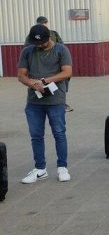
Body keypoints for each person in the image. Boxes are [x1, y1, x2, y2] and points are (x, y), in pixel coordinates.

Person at [17, 24, 73, 183]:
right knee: (36, 135)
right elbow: (21, 75)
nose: (39, 46)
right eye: (36, 43)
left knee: (59, 133)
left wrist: (44, 81)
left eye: (42, 42)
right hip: (34, 101)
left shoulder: (61, 50)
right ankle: (40, 169)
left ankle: (62, 167)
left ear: (49, 38)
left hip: (56, 100)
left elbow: (67, 72)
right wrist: (32, 83)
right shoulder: (27, 51)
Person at [36, 16, 73, 112]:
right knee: (44, 85)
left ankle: (61, 103)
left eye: (44, 24)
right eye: (41, 24)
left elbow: (61, 46)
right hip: (43, 65)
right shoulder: (33, 35)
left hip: (57, 65)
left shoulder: (53, 33)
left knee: (61, 85)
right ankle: (46, 104)